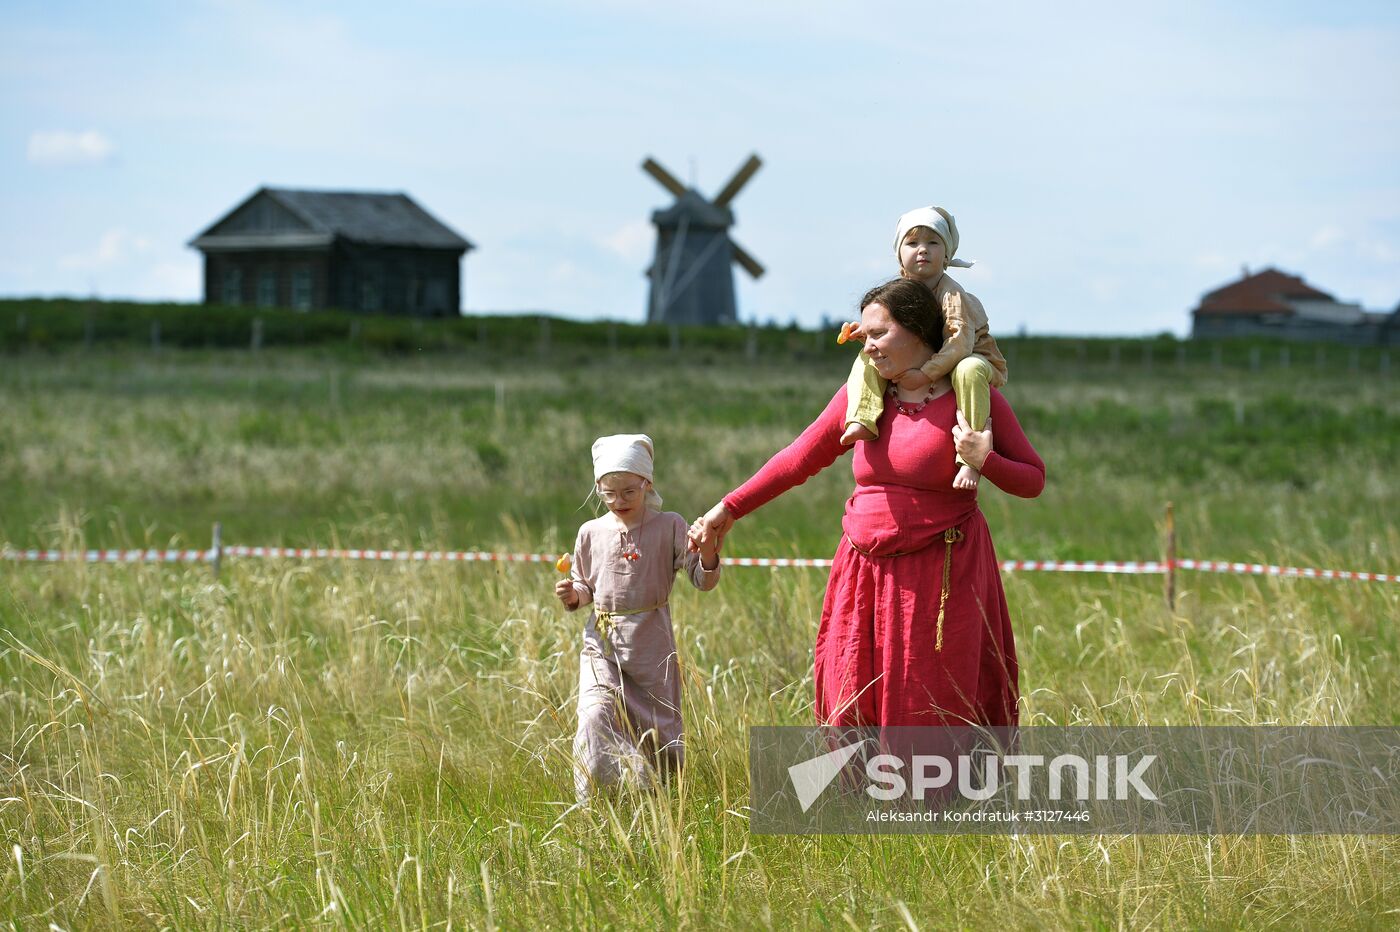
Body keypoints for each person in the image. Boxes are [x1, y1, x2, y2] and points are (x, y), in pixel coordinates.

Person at [689, 279, 1044, 729]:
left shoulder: (973, 397)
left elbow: (1033, 480)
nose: (868, 346)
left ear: (917, 330)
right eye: (865, 335)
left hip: (941, 573)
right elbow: (798, 459)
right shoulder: (863, 398)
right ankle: (856, 799)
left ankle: (939, 799)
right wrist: (729, 507)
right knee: (851, 689)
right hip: (863, 572)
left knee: (930, 700)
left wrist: (984, 459)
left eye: (879, 334)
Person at [556, 433, 722, 802]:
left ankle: (659, 799)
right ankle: (597, 800)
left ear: (646, 483)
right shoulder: (590, 532)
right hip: (602, 642)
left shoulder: (670, 526)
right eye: (608, 494)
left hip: (652, 641)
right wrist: (573, 595)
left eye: (628, 492)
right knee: (595, 713)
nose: (619, 502)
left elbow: (702, 578)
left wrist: (708, 549)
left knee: (658, 728)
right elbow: (585, 585)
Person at [840, 206, 1009, 492]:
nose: (923, 250)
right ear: (899, 254)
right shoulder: (899, 291)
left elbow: (959, 342)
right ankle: (862, 417)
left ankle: (970, 457)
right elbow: (891, 332)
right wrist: (866, 333)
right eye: (913, 242)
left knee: (968, 370)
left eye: (933, 243)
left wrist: (925, 374)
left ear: (946, 255)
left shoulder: (951, 293)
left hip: (970, 356)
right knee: (866, 359)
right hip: (929, 356)